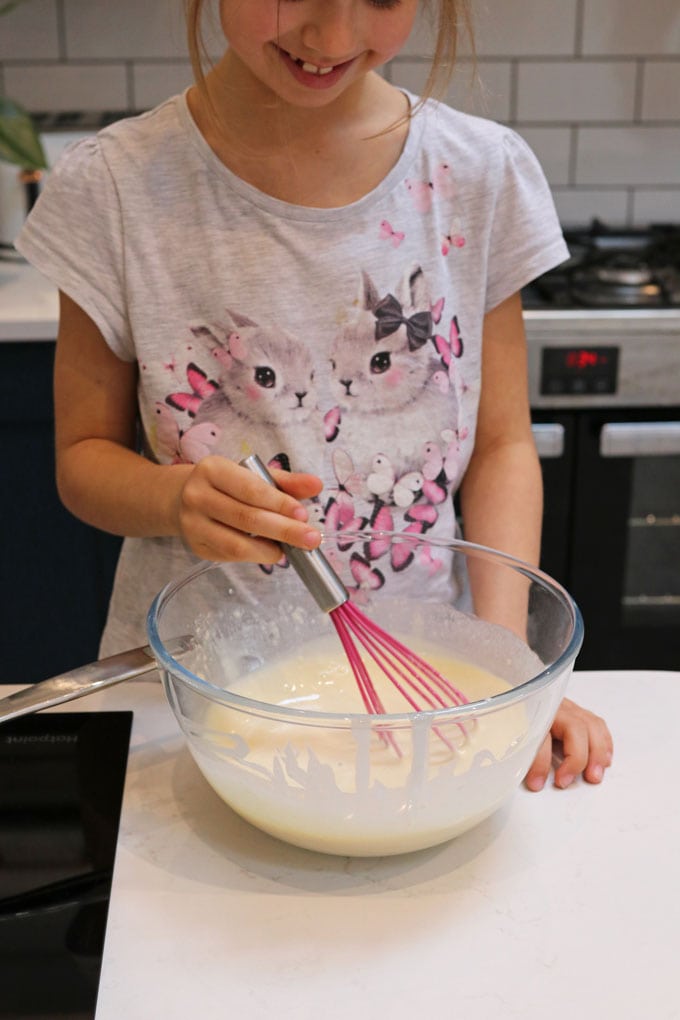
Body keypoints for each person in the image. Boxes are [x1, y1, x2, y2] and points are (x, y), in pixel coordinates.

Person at [16, 0, 612, 792]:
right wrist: (176, 498)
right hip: (188, 707)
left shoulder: (479, 174)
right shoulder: (118, 186)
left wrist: (508, 676)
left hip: (422, 696)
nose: (330, 38)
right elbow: (81, 460)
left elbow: (500, 446)